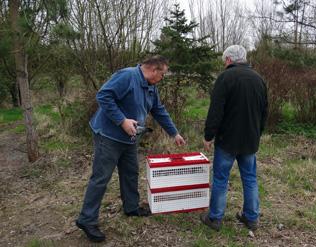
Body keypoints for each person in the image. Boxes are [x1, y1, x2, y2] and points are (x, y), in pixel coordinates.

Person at [76, 55, 186, 242]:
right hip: (109, 136)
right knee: (101, 177)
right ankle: (86, 219)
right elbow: (103, 95)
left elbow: (158, 110)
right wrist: (122, 120)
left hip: (130, 138)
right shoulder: (127, 76)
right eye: (163, 74)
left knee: (130, 172)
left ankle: (131, 207)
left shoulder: (151, 87)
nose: (162, 78)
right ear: (153, 70)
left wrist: (174, 133)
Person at [200, 45, 268, 232]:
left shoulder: (225, 78)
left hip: (227, 140)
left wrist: (209, 135)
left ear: (229, 60)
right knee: (250, 178)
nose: (224, 64)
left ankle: (214, 218)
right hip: (250, 140)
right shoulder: (259, 79)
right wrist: (257, 133)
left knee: (221, 178)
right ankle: (252, 217)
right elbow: (264, 112)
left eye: (224, 61)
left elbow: (216, 110)